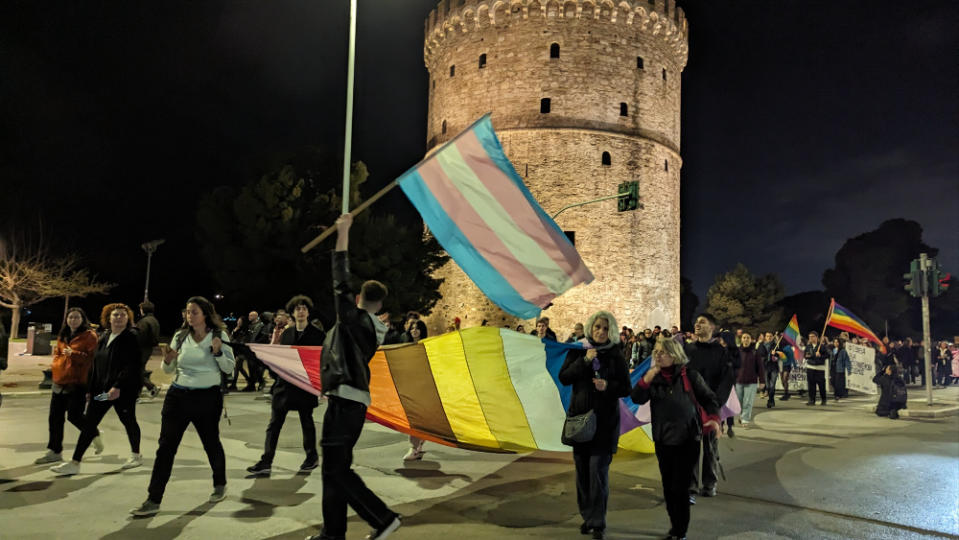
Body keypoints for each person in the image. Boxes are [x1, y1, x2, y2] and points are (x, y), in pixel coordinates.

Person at [308, 213, 401, 540]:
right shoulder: (369, 327)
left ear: (360, 300)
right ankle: (333, 533)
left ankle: (383, 518)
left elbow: (339, 279)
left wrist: (343, 233)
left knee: (336, 470)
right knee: (332, 471)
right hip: (347, 401)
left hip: (346, 403)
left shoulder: (354, 320)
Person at [130, 296, 235, 516]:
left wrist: (217, 353)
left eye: (194, 312)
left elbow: (229, 370)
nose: (190, 316)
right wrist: (167, 360)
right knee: (166, 447)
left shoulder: (219, 336)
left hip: (208, 398)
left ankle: (219, 484)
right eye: (187, 312)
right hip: (178, 396)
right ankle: (153, 499)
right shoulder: (180, 336)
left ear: (205, 314)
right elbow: (168, 370)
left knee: (210, 442)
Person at [631, 337, 720, 540]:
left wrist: (714, 419)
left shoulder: (690, 375)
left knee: (680, 488)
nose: (658, 355)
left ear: (674, 354)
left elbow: (709, 398)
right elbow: (636, 398)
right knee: (668, 487)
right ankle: (675, 527)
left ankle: (680, 531)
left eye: (662, 352)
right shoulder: (653, 378)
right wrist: (647, 378)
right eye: (656, 352)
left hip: (687, 439)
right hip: (663, 439)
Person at [559, 310, 630, 540]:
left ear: (612, 332)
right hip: (580, 422)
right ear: (591, 327)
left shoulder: (616, 354)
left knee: (597, 473)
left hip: (605, 423)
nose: (601, 332)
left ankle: (598, 521)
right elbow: (565, 377)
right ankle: (587, 516)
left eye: (606, 328)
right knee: (582, 473)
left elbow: (626, 388)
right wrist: (585, 361)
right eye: (598, 327)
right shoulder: (578, 350)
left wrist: (607, 386)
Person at [52, 303, 143, 476]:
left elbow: (132, 365)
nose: (119, 318)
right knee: (90, 423)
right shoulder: (104, 336)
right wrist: (90, 389)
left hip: (121, 392)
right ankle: (75, 462)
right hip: (101, 392)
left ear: (128, 318)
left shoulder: (131, 337)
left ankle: (136, 455)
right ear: (108, 318)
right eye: (115, 315)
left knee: (128, 420)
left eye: (123, 315)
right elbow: (95, 364)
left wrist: (117, 386)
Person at [247, 295, 324, 476]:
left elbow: (320, 361)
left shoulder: (318, 335)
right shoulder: (287, 334)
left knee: (307, 421)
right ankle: (266, 460)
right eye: (297, 308)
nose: (301, 311)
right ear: (292, 312)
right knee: (274, 424)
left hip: (304, 385)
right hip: (284, 386)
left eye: (304, 308)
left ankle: (311, 457)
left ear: (308, 312)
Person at [35, 307, 104, 464]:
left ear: (82, 319)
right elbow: (58, 354)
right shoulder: (63, 334)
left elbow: (93, 359)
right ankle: (54, 451)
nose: (73, 320)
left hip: (78, 383)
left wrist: (74, 354)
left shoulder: (89, 336)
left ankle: (93, 433)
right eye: (70, 317)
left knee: (74, 416)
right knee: (54, 418)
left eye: (76, 317)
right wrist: (57, 365)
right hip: (60, 381)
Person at [683, 313, 736, 502]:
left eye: (702, 322)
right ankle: (690, 485)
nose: (697, 325)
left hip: (712, 406)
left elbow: (727, 380)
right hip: (690, 405)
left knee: (710, 446)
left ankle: (709, 483)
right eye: (696, 322)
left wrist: (716, 404)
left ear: (712, 327)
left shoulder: (721, 352)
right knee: (690, 446)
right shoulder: (687, 350)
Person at [401, 319, 430, 461]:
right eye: (412, 328)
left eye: (417, 328)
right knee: (412, 418)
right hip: (409, 386)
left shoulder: (427, 346)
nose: (414, 330)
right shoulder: (404, 347)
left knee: (417, 418)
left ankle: (414, 447)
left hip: (422, 387)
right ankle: (417, 444)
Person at [734, 332, 764, 427]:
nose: (746, 339)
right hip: (739, 381)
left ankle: (745, 419)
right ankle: (742, 415)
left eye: (748, 338)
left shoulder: (755, 352)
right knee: (739, 401)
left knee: (748, 402)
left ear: (751, 340)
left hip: (751, 381)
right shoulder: (737, 352)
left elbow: (760, 367)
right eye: (744, 337)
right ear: (741, 339)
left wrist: (762, 381)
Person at [136, 301, 161, 398]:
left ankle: (151, 387)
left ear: (143, 310)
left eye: (141, 309)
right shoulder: (154, 320)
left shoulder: (144, 321)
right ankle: (137, 394)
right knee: (139, 371)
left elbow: (140, 336)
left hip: (141, 349)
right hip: (148, 349)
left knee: (136, 372)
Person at [804, 332, 829, 405]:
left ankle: (823, 399)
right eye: (809, 337)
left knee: (821, 385)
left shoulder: (822, 346)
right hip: (810, 367)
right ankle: (812, 400)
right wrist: (813, 355)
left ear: (816, 337)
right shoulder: (808, 346)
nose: (811, 338)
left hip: (819, 368)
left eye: (812, 336)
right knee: (811, 385)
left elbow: (828, 355)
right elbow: (805, 356)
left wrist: (820, 355)